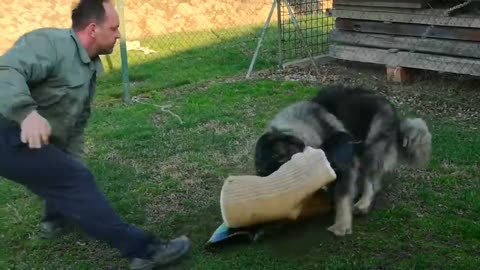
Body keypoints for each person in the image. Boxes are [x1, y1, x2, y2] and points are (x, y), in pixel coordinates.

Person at [0, 0, 191, 269]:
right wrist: (26, 114)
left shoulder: (88, 66)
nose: (118, 35)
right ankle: (145, 251)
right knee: (73, 178)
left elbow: (74, 126)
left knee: (68, 171)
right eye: (113, 28)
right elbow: (5, 70)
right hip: (7, 127)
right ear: (92, 30)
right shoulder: (50, 43)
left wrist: (74, 164)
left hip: (24, 135)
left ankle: (54, 220)